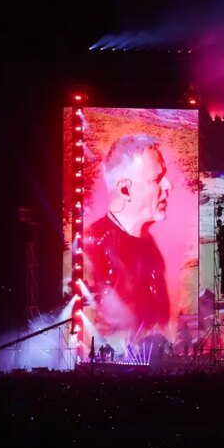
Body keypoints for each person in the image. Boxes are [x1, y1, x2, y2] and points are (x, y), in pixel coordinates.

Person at [83, 135, 172, 338]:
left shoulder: (149, 246)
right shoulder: (92, 247)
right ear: (125, 190)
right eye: (157, 179)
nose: (168, 186)